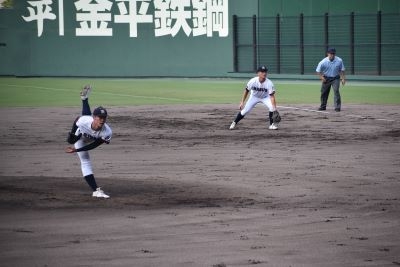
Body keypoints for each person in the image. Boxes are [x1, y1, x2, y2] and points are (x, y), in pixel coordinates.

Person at [65, 85, 112, 198]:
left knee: (85, 116)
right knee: (85, 160)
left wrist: (77, 150)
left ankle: (84, 98)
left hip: (88, 141)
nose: (102, 120)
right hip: (80, 137)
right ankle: (96, 191)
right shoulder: (84, 121)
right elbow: (77, 121)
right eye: (100, 117)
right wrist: (73, 135)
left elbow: (93, 145)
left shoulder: (107, 132)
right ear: (94, 117)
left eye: (104, 117)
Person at [229, 65, 279, 130]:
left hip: (265, 97)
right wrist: (242, 102)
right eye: (262, 72)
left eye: (265, 72)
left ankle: (272, 125)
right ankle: (234, 122)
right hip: (254, 97)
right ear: (258, 73)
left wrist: (274, 108)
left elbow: (272, 96)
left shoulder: (269, 83)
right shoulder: (253, 81)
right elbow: (246, 91)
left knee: (272, 107)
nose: (264, 73)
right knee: (245, 111)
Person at [316, 47, 346, 112]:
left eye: (333, 54)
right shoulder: (323, 62)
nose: (332, 55)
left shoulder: (339, 60)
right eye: (331, 53)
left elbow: (342, 70)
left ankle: (337, 107)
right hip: (326, 78)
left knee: (336, 91)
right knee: (324, 92)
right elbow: (318, 71)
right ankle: (323, 106)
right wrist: (321, 77)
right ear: (328, 54)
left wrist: (343, 78)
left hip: (336, 78)